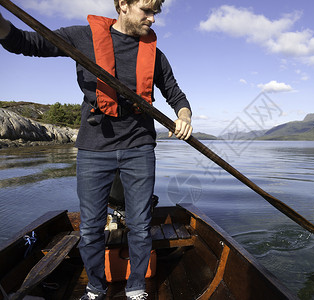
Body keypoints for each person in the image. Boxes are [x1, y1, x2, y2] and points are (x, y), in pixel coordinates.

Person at [0, 0, 192, 299]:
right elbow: (26, 42)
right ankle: (95, 289)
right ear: (124, 5)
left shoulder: (155, 55)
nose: (153, 19)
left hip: (139, 146)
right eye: (148, 11)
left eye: (156, 12)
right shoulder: (82, 37)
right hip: (94, 147)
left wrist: (184, 116)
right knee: (90, 228)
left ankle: (137, 288)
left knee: (140, 226)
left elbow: (175, 92)